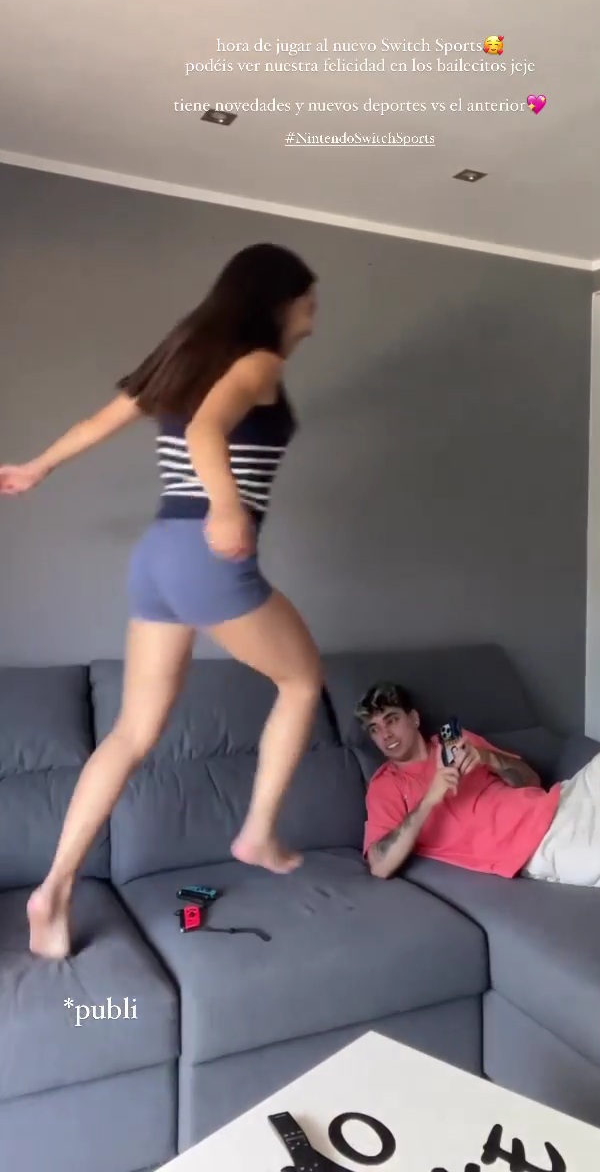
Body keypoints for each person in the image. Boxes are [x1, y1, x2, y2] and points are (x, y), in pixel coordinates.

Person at [0, 242, 324, 959]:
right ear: (278, 301)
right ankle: (258, 831)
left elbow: (97, 423)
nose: (313, 313)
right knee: (302, 682)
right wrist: (227, 508)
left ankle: (53, 889)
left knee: (132, 731)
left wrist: (36, 467)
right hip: (205, 554)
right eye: (308, 299)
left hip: (156, 557)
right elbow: (207, 429)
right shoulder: (258, 363)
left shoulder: (182, 358)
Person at [355, 682, 600, 893]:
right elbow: (380, 865)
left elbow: (530, 780)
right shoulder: (386, 786)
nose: (385, 734)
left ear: (414, 718)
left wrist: (489, 759)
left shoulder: (456, 741)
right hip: (549, 846)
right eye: (375, 729)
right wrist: (430, 798)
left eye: (392, 720)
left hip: (567, 798)